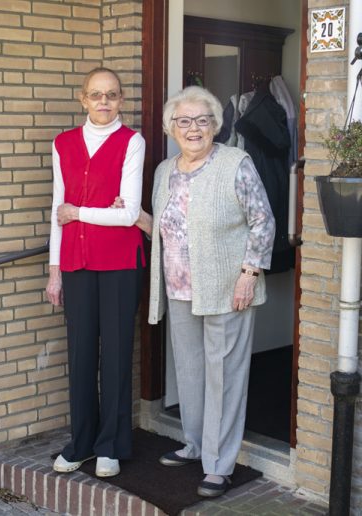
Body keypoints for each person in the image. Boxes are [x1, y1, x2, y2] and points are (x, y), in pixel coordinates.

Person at [135, 86, 275, 497]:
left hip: (228, 288)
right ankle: (195, 445)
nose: (193, 128)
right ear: (170, 127)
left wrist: (249, 274)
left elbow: (263, 222)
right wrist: (125, 214)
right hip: (179, 288)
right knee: (191, 372)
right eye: (184, 121)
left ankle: (219, 463)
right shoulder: (164, 170)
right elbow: (164, 228)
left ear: (216, 125)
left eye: (202, 120)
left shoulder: (236, 163)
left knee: (225, 376)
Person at [46, 67, 145, 478]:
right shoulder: (63, 143)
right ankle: (82, 441)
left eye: (112, 95)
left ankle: (111, 445)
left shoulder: (132, 142)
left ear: (121, 100)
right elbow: (57, 211)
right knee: (81, 352)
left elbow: (129, 216)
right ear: (83, 99)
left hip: (122, 262)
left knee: (117, 353)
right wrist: (54, 271)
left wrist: (80, 212)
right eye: (96, 95)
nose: (104, 102)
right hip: (75, 262)